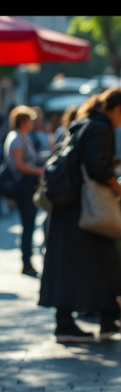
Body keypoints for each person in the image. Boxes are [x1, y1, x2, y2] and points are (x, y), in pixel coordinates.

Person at [39, 87, 121, 343]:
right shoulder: (101, 127)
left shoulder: (82, 123)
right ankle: (104, 320)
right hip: (86, 208)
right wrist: (117, 187)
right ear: (116, 110)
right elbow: (95, 166)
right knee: (105, 263)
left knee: (70, 265)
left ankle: (69, 322)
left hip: (68, 206)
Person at [3, 106, 44, 276]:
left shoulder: (22, 137)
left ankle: (27, 261)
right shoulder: (17, 139)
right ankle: (26, 262)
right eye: (31, 120)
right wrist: (39, 171)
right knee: (28, 226)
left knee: (29, 225)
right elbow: (19, 165)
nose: (33, 123)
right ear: (24, 121)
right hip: (23, 187)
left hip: (26, 185)